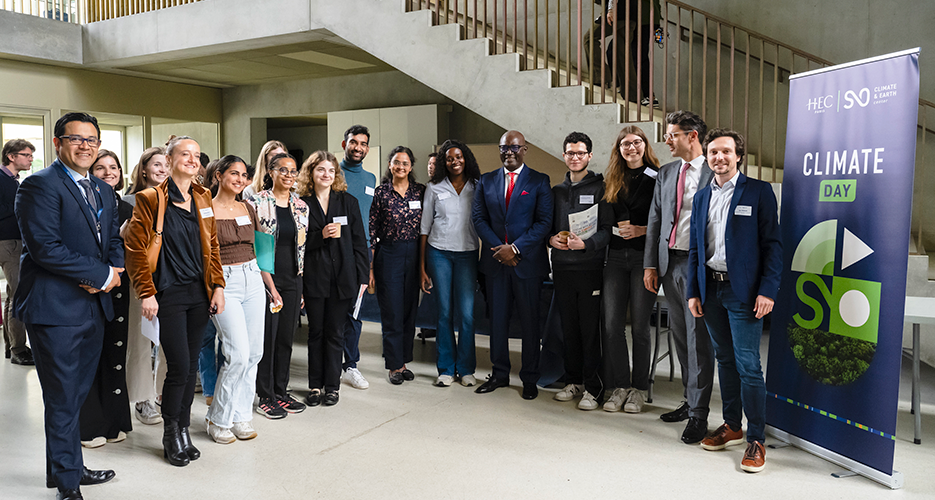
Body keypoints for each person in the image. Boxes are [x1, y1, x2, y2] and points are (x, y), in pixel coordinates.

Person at [14, 112, 122, 499]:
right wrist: (101, 275)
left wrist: (115, 271)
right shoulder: (39, 186)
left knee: (74, 397)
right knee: (61, 398)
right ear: (58, 142)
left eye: (91, 139)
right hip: (54, 310)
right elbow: (45, 249)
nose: (85, 146)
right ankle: (67, 484)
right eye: (75, 139)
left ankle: (65, 469)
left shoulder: (103, 191)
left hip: (93, 308)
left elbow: (112, 242)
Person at [125, 135, 225, 467]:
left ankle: (183, 427)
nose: (192, 159)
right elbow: (137, 250)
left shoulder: (203, 195)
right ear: (168, 160)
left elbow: (212, 246)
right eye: (185, 153)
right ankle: (171, 432)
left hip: (199, 292)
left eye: (196, 155)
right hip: (167, 293)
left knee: (191, 363)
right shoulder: (151, 198)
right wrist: (146, 292)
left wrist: (218, 286)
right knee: (179, 366)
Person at [687, 129, 781, 473]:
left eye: (726, 151)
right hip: (710, 289)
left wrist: (768, 290)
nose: (719, 158)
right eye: (713, 152)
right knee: (724, 361)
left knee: (748, 365)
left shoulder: (758, 192)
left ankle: (757, 438)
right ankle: (732, 426)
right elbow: (696, 248)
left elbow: (773, 245)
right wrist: (693, 292)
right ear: (707, 156)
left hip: (745, 293)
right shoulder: (701, 197)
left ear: (738, 155)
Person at [644, 110, 715, 444]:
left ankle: (700, 415)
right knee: (680, 336)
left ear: (692, 136)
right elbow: (655, 220)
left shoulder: (715, 172)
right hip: (668, 263)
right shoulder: (667, 172)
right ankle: (690, 401)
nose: (667, 140)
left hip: (698, 266)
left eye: (672, 134)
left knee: (698, 339)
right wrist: (650, 265)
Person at [472, 130, 553, 400]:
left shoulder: (540, 181)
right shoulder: (486, 181)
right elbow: (479, 219)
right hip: (495, 264)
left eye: (514, 147)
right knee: (497, 322)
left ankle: (530, 377)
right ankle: (499, 374)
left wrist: (515, 249)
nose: (509, 152)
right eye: (504, 147)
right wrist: (500, 249)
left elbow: (544, 222)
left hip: (527, 263)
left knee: (530, 324)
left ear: (525, 149)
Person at [297, 151, 368, 406]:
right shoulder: (301, 203)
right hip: (314, 278)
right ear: (311, 173)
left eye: (331, 171)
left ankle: (332, 386)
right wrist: (321, 236)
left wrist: (363, 278)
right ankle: (315, 386)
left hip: (343, 278)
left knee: (336, 333)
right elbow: (297, 243)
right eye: (320, 170)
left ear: (336, 175)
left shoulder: (348, 202)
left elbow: (359, 241)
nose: (326, 175)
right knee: (316, 332)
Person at [548, 132, 613, 410]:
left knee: (589, 330)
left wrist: (585, 244)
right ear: (564, 156)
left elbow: (608, 230)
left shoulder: (602, 188)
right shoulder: (556, 192)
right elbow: (547, 227)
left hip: (590, 268)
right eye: (570, 153)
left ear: (589, 156)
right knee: (569, 329)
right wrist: (550, 240)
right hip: (562, 268)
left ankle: (594, 388)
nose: (575, 158)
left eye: (580, 153)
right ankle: (573, 381)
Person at [204, 155, 266, 444]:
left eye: (244, 175)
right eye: (234, 174)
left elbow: (262, 248)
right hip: (223, 281)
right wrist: (214, 285)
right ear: (218, 175)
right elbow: (205, 253)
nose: (240, 180)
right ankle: (218, 418)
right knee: (237, 354)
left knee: (254, 353)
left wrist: (272, 287)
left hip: (253, 276)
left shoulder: (247, 207)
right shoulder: (205, 208)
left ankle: (242, 416)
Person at [601, 126, 660, 414]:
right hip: (614, 258)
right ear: (619, 149)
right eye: (625, 144)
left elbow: (665, 224)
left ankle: (639, 389)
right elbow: (604, 221)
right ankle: (620, 386)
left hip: (643, 259)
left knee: (639, 327)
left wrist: (641, 230)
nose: (631, 148)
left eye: (637, 142)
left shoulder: (657, 178)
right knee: (612, 326)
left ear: (644, 146)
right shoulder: (611, 179)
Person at [79, 150, 133, 449]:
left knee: (115, 355)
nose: (108, 172)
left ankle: (115, 421)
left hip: (120, 285)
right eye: (100, 168)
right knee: (91, 357)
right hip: (90, 287)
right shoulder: (85, 204)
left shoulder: (126, 207)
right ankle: (90, 425)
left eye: (113, 167)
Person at [249, 153, 309, 419]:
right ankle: (265, 395)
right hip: (267, 279)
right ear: (270, 172)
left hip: (293, 278)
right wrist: (271, 287)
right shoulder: (257, 202)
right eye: (282, 170)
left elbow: (302, 247)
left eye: (293, 171)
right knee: (269, 339)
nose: (288, 175)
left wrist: (301, 284)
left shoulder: (301, 206)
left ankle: (281, 392)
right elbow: (259, 248)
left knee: (286, 338)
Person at [420, 140, 480, 387]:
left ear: (466, 158)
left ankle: (466, 369)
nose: (455, 162)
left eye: (459, 157)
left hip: (467, 254)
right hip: (439, 253)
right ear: (443, 163)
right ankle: (445, 368)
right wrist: (421, 267)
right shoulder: (434, 187)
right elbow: (424, 228)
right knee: (444, 313)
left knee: (466, 315)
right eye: (449, 159)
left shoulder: (477, 186)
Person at [370, 146, 425, 385]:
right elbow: (372, 230)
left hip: (414, 253)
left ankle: (404, 361)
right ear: (390, 165)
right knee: (392, 310)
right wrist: (371, 266)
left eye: (405, 163)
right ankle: (394, 365)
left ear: (411, 167)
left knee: (409, 310)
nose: (401, 167)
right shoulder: (381, 192)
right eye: (396, 162)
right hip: (389, 253)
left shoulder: (420, 191)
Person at [123, 146, 169, 426]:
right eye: (157, 164)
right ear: (143, 169)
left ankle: (164, 392)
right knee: (141, 340)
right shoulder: (130, 200)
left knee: (168, 342)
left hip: (172, 279)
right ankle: (142, 399)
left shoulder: (178, 199)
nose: (163, 169)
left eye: (167, 164)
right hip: (141, 279)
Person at [338, 125, 376, 390]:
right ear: (344, 144)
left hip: (361, 253)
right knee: (332, 311)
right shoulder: (331, 172)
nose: (358, 147)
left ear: (367, 148)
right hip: (333, 251)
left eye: (363, 144)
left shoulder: (372, 179)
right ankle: (328, 364)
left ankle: (350, 365)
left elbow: (370, 218)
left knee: (354, 312)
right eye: (353, 142)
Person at [584, 0, 661, 105]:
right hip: (635, 15)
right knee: (624, 54)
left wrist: (611, 9)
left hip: (623, 12)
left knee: (590, 39)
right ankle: (633, 94)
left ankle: (602, 77)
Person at [0, 138, 35, 365]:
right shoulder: (2, 180)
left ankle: (10, 345)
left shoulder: (13, 181)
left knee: (13, 293)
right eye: (26, 155)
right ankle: (19, 350)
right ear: (11, 156)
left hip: (13, 240)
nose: (30, 159)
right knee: (20, 294)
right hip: (8, 242)